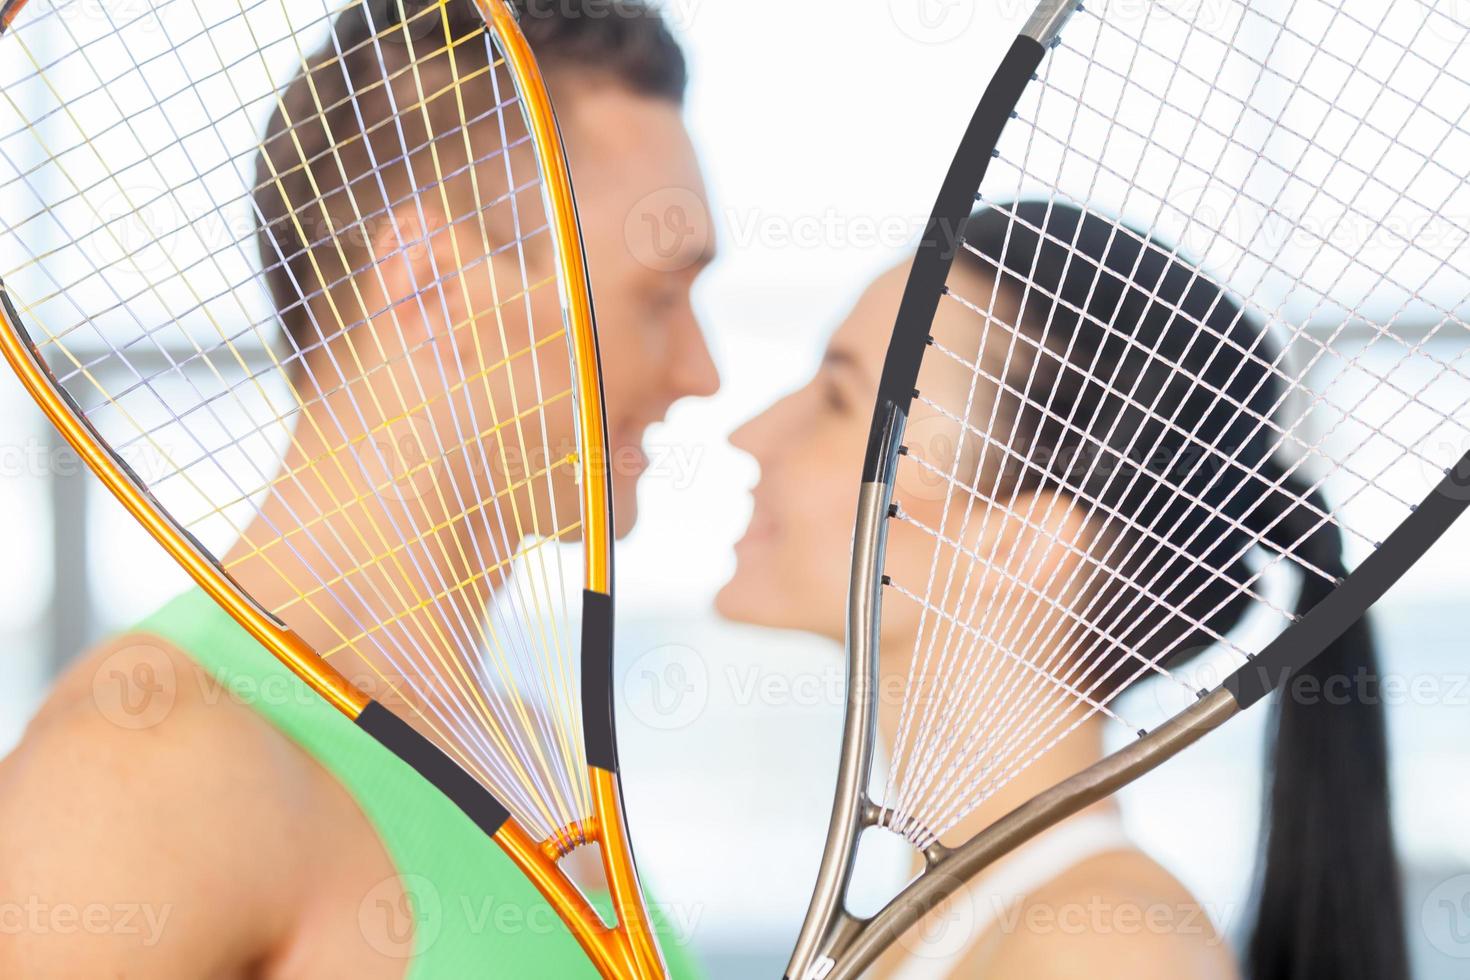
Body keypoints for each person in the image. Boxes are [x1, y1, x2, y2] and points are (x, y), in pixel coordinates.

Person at [0, 2, 717, 977]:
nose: (700, 368)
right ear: (429, 285)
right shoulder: (144, 766)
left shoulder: (535, 753)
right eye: (659, 298)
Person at [719, 202, 1406, 979]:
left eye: (840, 402)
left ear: (1019, 542)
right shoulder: (956, 920)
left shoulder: (1102, 951)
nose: (752, 433)